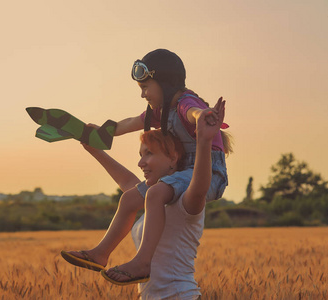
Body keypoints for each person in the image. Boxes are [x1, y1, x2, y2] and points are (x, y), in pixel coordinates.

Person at [61, 49, 230, 284]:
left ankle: (143, 261)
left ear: (165, 82)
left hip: (207, 172)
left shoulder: (185, 102)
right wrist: (101, 133)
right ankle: (100, 254)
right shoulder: (160, 111)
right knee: (130, 199)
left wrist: (203, 115)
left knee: (156, 192)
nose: (143, 95)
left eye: (145, 87)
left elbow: (192, 112)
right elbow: (132, 122)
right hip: (179, 172)